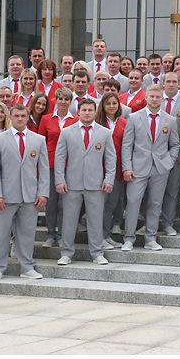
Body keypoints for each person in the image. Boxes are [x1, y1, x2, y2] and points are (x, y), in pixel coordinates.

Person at [0, 100, 50, 282]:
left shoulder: (38, 140)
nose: (20, 119)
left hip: (30, 195)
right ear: (10, 117)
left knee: (27, 233)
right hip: (6, 195)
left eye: (23, 116)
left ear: (27, 117)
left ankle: (27, 266)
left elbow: (44, 169)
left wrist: (43, 192)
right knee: (1, 233)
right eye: (16, 116)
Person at [54, 106, 117, 265]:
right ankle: (67, 253)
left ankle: (97, 253)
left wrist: (109, 179)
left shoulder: (105, 132)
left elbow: (111, 158)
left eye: (90, 110)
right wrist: (60, 180)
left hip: (96, 184)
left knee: (96, 220)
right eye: (84, 110)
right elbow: (60, 158)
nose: (87, 113)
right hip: (71, 184)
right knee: (69, 220)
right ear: (79, 112)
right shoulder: (67, 132)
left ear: (95, 112)